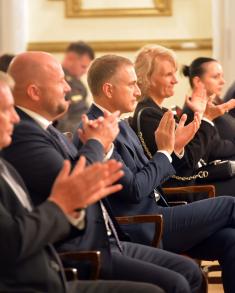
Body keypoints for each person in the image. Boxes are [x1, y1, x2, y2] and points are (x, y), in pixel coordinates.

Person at [2, 52, 204, 293]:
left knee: (194, 269)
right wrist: (98, 144)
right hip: (90, 246)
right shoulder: (26, 134)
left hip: (113, 236)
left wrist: (170, 149)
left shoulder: (55, 131)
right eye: (60, 80)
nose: (68, 87)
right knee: (179, 278)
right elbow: (86, 185)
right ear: (34, 92)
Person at [74, 54, 235, 293]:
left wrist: (174, 149)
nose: (138, 92)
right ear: (108, 89)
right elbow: (135, 189)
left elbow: (157, 174)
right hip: (144, 224)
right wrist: (165, 151)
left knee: (231, 240)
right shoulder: (95, 131)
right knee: (231, 205)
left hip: (161, 211)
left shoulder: (120, 123)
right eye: (131, 84)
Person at [131, 45, 235, 196]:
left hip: (196, 182)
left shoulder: (159, 112)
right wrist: (206, 119)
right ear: (147, 78)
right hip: (188, 189)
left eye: (174, 74)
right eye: (168, 75)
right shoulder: (148, 115)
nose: (175, 81)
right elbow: (185, 164)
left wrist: (200, 116)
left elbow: (199, 155)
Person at [182, 57, 235, 143]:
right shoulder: (193, 112)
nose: (223, 81)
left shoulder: (214, 104)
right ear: (198, 81)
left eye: (222, 76)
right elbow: (212, 148)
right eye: (216, 77)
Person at [55, 41, 95, 133]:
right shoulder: (55, 81)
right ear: (71, 58)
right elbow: (59, 123)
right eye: (83, 66)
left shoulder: (79, 84)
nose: (85, 72)